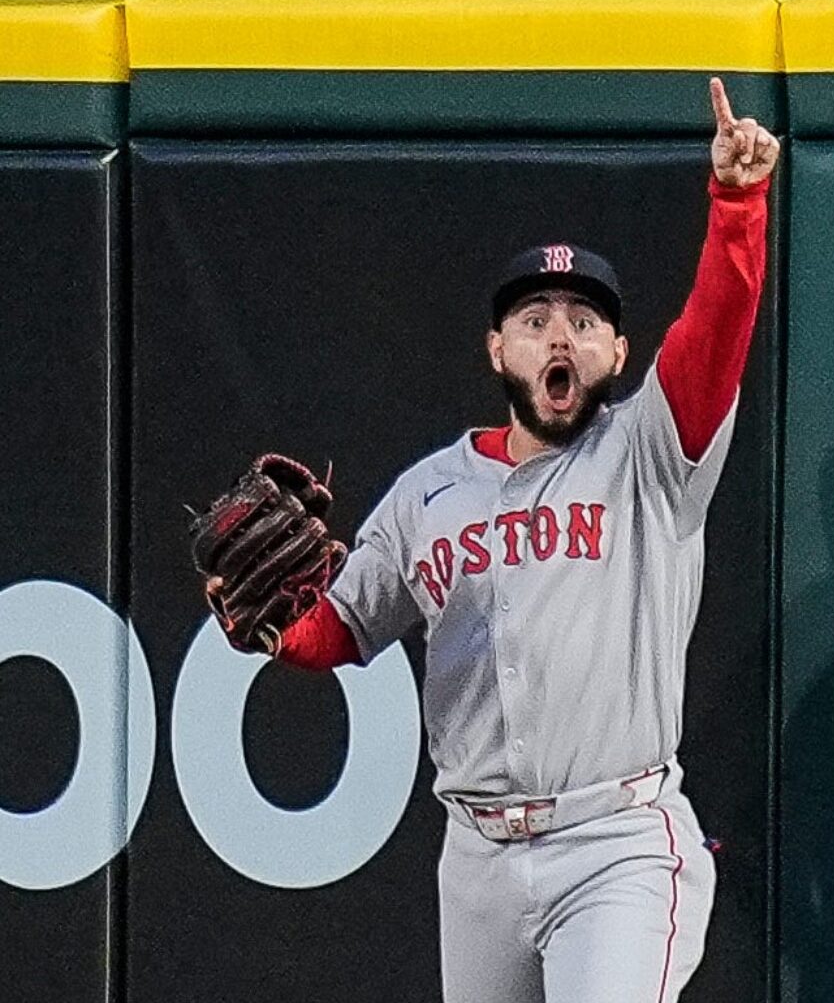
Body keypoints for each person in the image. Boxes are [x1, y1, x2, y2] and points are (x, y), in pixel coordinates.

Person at [198, 77, 777, 1003]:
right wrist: (270, 629)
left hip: (617, 841)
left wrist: (736, 205)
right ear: (498, 350)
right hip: (475, 858)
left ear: (617, 355)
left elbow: (715, 330)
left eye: (587, 323)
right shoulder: (426, 495)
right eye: (537, 320)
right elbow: (340, 631)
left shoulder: (652, 450)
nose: (564, 337)